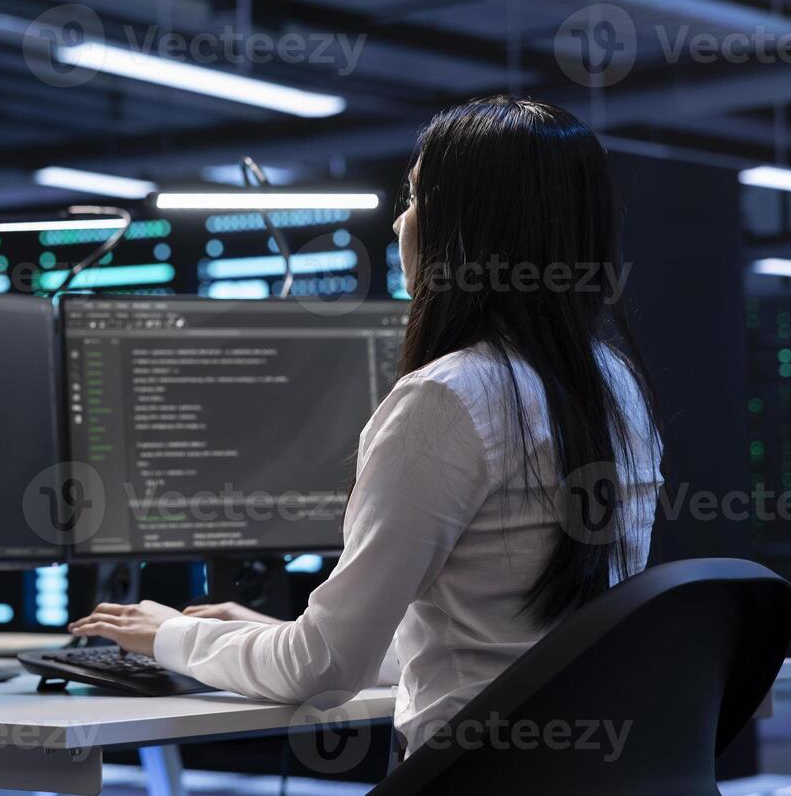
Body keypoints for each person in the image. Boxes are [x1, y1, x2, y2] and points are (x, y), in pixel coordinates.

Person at [70, 96, 665, 754]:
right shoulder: (615, 388)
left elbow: (321, 670)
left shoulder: (447, 398)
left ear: (464, 230)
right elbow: (497, 644)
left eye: (413, 199)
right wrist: (264, 635)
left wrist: (169, 636)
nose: (399, 225)